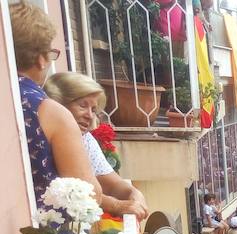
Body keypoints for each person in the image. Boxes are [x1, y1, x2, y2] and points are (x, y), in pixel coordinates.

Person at [10, 2, 101, 202]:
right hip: (44, 231)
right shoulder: (50, 111)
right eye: (52, 54)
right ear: (42, 59)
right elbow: (89, 195)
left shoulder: (8, 96)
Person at [43, 72, 147, 217]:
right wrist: (117, 205)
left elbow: (112, 184)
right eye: (83, 106)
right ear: (60, 106)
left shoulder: (86, 140)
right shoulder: (49, 136)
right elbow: (82, 191)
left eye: (93, 109)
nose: (90, 116)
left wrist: (133, 193)